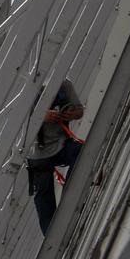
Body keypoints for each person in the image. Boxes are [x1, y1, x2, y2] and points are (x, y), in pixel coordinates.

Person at [27, 79, 84, 234]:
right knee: (44, 197)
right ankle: (52, 235)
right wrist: (42, 116)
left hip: (61, 144)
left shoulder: (64, 85)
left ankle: (71, 196)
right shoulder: (27, 91)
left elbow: (79, 110)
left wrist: (73, 113)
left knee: (81, 152)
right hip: (37, 154)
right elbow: (20, 122)